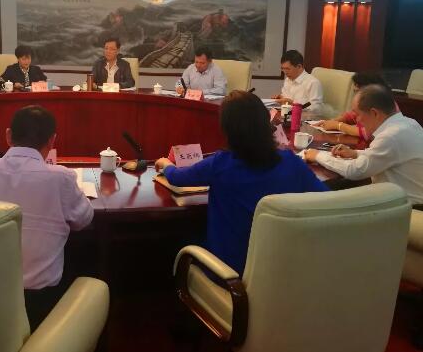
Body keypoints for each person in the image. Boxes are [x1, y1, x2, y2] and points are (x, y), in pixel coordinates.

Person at [155, 90, 328, 275]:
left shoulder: (220, 164)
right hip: (280, 272)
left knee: (178, 239)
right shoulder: (292, 163)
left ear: (227, 129)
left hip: (228, 275)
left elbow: (178, 178)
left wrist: (166, 165)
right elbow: (329, 201)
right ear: (266, 122)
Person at [0, 105, 93, 328]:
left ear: (8, 135)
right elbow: (84, 220)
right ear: (52, 141)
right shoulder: (61, 178)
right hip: (39, 301)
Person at [304, 84, 423, 203]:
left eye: (358, 115)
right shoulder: (409, 123)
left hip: (407, 207)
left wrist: (317, 155)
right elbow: (385, 155)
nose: (358, 121)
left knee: (328, 199)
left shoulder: (390, 136)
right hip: (403, 198)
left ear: (374, 113)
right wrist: (355, 153)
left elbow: (355, 171)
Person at [318, 72, 391, 139]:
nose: (358, 119)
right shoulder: (371, 100)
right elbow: (352, 115)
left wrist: (338, 125)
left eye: (358, 91)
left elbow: (367, 132)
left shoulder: (382, 104)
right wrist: (332, 121)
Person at [272, 49, 324, 117]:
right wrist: (281, 99)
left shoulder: (313, 83)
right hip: (288, 117)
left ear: (299, 66)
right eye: (282, 68)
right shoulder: (288, 80)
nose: (285, 72)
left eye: (287, 69)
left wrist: (293, 104)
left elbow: (317, 110)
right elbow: (286, 99)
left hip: (305, 120)